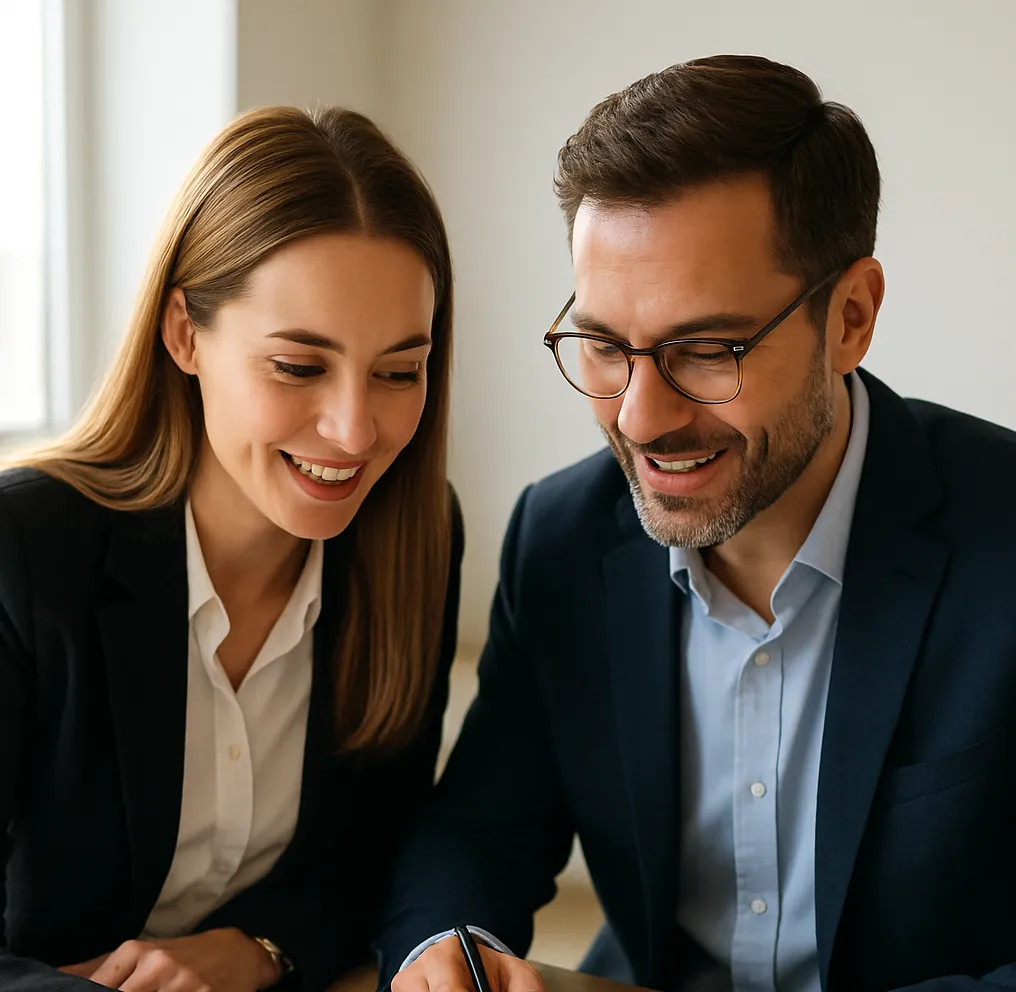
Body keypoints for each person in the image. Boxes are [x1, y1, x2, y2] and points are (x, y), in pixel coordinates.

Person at [379, 55, 1016, 992]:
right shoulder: (560, 540)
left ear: (850, 317)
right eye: (603, 346)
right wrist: (447, 954)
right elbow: (478, 832)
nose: (641, 420)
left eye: (708, 350)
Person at [0, 105, 461, 992]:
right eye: (299, 366)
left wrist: (259, 949)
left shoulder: (415, 537)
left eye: (399, 371)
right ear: (184, 334)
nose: (355, 430)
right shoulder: (24, 550)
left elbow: (379, 859)